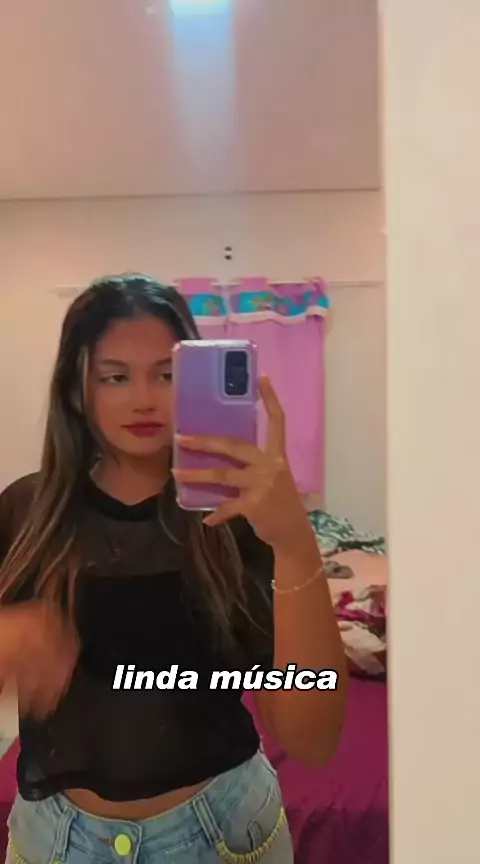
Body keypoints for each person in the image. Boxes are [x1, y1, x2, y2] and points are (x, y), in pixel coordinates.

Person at [0, 274, 347, 863]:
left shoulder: (240, 518)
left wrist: (294, 543)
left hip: (224, 836)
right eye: (115, 376)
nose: (143, 398)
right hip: (53, 843)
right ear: (77, 391)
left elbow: (313, 738)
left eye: (165, 374)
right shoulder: (26, 513)